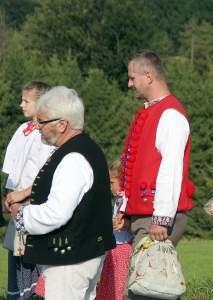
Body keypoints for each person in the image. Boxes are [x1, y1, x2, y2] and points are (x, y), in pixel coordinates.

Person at [9, 86, 116, 300]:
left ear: (62, 124)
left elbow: (57, 213)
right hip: (79, 254)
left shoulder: (73, 158)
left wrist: (22, 215)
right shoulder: (83, 148)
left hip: (70, 260)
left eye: (42, 121)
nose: (37, 126)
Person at [120, 50, 194, 299]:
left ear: (148, 76)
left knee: (148, 290)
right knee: (147, 289)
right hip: (145, 215)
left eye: (132, 78)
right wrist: (126, 210)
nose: (130, 84)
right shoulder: (153, 111)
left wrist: (161, 218)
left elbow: (170, 169)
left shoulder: (170, 115)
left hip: (157, 217)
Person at [2, 81, 52, 300]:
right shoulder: (23, 130)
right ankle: (17, 295)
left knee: (33, 260)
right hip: (17, 204)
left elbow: (45, 174)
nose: (21, 105)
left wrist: (24, 199)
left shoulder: (48, 135)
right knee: (16, 255)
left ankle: (32, 295)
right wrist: (11, 197)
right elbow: (14, 168)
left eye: (26, 101)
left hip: (34, 205)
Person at [96, 159, 133, 300]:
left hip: (124, 248)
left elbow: (127, 221)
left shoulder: (126, 198)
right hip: (115, 247)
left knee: (119, 285)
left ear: (122, 181)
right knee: (110, 284)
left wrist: (124, 223)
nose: (109, 186)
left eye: (112, 183)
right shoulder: (119, 198)